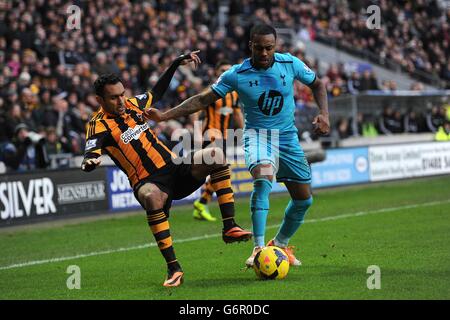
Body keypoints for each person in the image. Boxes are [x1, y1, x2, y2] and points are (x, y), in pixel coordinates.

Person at [144, 24, 330, 268]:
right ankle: (258, 248)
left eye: (269, 48)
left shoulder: (290, 64)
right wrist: (165, 116)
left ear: (275, 46)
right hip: (258, 138)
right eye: (259, 48)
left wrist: (324, 113)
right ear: (250, 45)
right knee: (263, 178)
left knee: (304, 200)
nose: (264, 53)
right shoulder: (236, 74)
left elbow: (318, 84)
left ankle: (280, 244)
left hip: (287, 139)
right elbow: (202, 99)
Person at [81, 53, 252, 288]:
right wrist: (89, 162)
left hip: (174, 168)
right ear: (100, 100)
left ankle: (230, 226)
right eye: (114, 98)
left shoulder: (133, 103)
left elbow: (156, 92)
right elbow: (91, 151)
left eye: (122, 94)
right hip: (148, 182)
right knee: (152, 197)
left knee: (217, 155)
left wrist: (173, 64)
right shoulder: (97, 125)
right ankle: (174, 268)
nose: (121, 101)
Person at [190, 59, 244, 222]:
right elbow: (195, 110)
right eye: (223, 70)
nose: (226, 72)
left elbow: (236, 114)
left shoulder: (233, 93)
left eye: (229, 69)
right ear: (216, 73)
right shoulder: (211, 91)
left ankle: (201, 204)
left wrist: (244, 133)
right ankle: (202, 203)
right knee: (221, 170)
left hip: (226, 137)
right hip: (211, 136)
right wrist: (197, 132)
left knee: (218, 172)